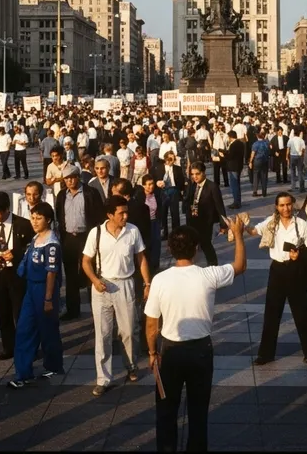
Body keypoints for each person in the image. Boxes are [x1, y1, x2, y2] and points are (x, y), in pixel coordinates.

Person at [146, 218, 246, 453]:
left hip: (170, 351)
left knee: (166, 410)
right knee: (198, 411)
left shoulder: (160, 280)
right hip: (201, 351)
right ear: (197, 248)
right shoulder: (208, 276)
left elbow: (152, 325)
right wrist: (238, 235)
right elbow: (240, 266)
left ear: (170, 249)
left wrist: (152, 353)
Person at [82, 194, 151, 396]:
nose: (125, 215)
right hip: (102, 286)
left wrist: (147, 283)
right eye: (121, 213)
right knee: (103, 334)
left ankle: (131, 366)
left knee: (129, 330)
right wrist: (95, 281)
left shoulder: (133, 231)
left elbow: (141, 258)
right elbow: (86, 261)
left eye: (126, 211)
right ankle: (103, 378)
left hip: (126, 284)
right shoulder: (96, 233)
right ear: (110, 215)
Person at [249, 192, 307, 364]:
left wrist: (299, 255)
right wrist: (241, 224)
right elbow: (254, 231)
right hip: (277, 270)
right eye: (282, 205)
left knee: (301, 312)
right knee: (272, 313)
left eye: (288, 204)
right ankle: (265, 354)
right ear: (276, 207)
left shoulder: (301, 224)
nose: (286, 208)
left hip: (295, 269)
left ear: (293, 204)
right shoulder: (272, 223)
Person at [8, 201, 64, 388]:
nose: (34, 221)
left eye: (38, 218)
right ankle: (23, 373)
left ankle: (54, 365)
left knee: (48, 329)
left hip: (44, 289)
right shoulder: (35, 238)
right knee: (24, 329)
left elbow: (51, 272)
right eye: (32, 217)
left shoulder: (52, 243)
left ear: (48, 220)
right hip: (31, 289)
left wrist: (48, 298)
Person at [0, 191, 32, 360]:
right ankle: (8, 347)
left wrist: (16, 253)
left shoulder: (23, 224)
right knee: (3, 314)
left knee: (21, 314)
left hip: (16, 274)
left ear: (7, 209)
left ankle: (26, 348)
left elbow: (31, 247)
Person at [54, 162, 105, 320]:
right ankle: (72, 309)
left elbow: (98, 215)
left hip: (86, 237)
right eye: (66, 179)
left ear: (78, 177)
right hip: (69, 238)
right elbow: (59, 215)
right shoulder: (62, 195)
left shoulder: (90, 193)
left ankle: (96, 309)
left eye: (72, 178)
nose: (69, 181)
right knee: (70, 275)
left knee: (90, 272)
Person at [185, 161, 228, 267]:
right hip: (193, 220)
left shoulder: (212, 187)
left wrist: (223, 224)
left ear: (204, 173)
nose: (194, 176)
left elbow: (219, 206)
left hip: (206, 222)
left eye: (197, 174)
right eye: (192, 174)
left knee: (206, 245)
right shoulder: (193, 185)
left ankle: (213, 265)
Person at [151, 150, 186, 239]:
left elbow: (181, 181)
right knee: (163, 213)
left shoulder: (177, 168)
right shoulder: (158, 168)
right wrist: (157, 183)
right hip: (163, 191)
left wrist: (180, 190)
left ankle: (176, 232)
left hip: (173, 190)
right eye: (169, 159)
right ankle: (164, 232)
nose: (171, 161)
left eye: (173, 159)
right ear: (165, 159)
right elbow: (153, 179)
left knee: (175, 213)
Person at [249, 129, 271, 197]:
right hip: (265, 161)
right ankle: (264, 191)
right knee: (264, 176)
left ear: (257, 136)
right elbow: (270, 147)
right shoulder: (267, 143)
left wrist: (250, 162)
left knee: (256, 176)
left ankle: (255, 191)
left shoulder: (255, 144)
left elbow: (253, 153)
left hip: (257, 161)